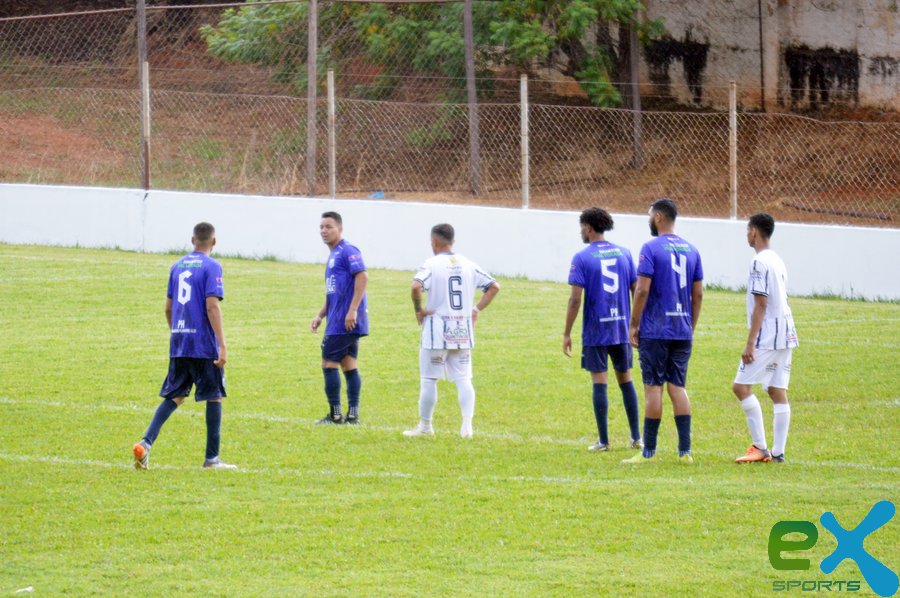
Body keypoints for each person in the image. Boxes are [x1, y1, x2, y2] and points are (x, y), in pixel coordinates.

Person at [132, 222, 236, 470]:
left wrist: (177, 332)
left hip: (180, 341)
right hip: (203, 344)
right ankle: (212, 459)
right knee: (214, 396)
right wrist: (222, 344)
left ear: (192, 240)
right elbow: (212, 306)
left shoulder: (177, 266)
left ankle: (146, 443)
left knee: (175, 396)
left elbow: (168, 308)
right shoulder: (212, 266)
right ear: (214, 241)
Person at [623, 198, 703, 465]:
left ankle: (648, 452)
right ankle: (685, 452)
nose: (648, 219)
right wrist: (690, 325)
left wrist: (634, 323)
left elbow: (642, 289)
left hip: (656, 330)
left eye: (649, 215)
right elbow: (698, 294)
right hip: (682, 329)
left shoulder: (650, 248)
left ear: (658, 217)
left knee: (654, 389)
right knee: (678, 387)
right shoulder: (692, 250)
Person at [403, 224, 500, 438]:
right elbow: (494, 286)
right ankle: (467, 426)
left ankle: (425, 427)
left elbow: (416, 286)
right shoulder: (468, 264)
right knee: (464, 379)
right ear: (453, 241)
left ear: (434, 242)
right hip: (461, 330)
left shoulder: (431, 264)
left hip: (437, 332)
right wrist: (475, 310)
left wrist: (418, 310)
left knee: (429, 380)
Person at [563, 207, 642, 451]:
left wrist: (566, 333)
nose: (580, 231)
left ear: (588, 227)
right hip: (621, 328)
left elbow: (575, 300)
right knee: (626, 378)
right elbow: (636, 290)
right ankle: (636, 438)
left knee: (600, 381)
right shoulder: (624, 253)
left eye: (581, 227)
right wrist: (636, 323)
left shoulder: (582, 257)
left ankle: (604, 441)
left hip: (596, 330)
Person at [732, 213, 798, 463]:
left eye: (747, 230)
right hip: (787, 332)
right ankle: (778, 452)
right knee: (775, 389)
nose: (746, 235)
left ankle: (760, 447)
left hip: (768, 335)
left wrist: (750, 342)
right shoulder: (777, 259)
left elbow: (761, 303)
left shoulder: (759, 262)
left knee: (740, 387)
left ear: (754, 232)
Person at [310, 211, 368, 425]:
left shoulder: (347, 250)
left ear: (340, 229)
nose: (324, 231)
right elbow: (334, 293)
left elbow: (362, 276)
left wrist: (352, 310)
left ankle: (335, 415)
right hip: (339, 319)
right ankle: (352, 414)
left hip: (344, 321)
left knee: (328, 363)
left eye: (329, 227)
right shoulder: (334, 255)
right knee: (349, 364)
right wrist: (320, 315)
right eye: (321, 227)